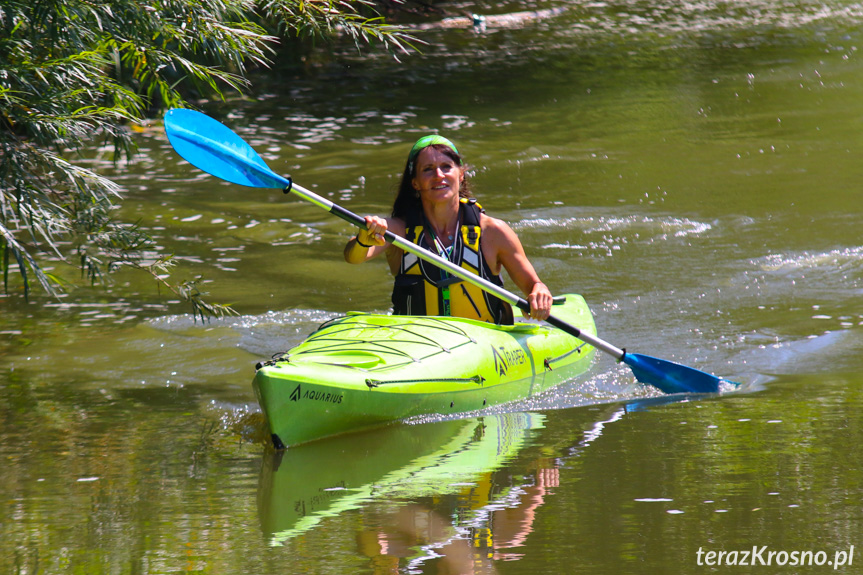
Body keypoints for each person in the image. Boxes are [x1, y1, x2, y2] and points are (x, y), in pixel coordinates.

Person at [343, 134, 552, 324]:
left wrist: (539, 294)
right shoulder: (398, 230)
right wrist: (364, 240)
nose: (438, 175)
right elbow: (354, 257)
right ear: (415, 183)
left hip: (482, 342)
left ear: (461, 175)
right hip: (418, 341)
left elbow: (534, 285)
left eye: (446, 167)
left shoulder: (494, 232)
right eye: (427, 169)